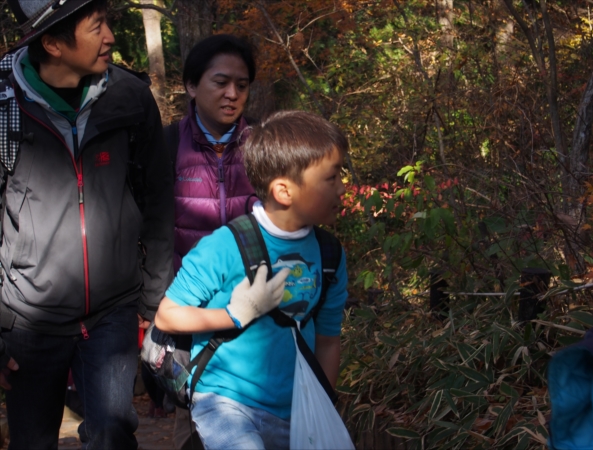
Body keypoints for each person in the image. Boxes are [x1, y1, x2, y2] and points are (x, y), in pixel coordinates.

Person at [0, 1, 174, 448]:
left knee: (113, 435)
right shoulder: (4, 106)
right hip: (28, 316)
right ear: (52, 43)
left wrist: (155, 302)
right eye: (97, 27)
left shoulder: (127, 97)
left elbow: (157, 200)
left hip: (112, 310)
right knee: (32, 440)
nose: (111, 36)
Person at [155, 110, 349, 449]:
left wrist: (324, 405)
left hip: (296, 409)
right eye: (331, 178)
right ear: (284, 191)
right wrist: (233, 315)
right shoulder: (224, 246)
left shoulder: (330, 254)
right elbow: (167, 315)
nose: (342, 188)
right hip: (225, 401)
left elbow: (329, 340)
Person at [166, 34, 258, 449]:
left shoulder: (264, 145)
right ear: (191, 85)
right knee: (200, 424)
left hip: (255, 306)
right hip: (187, 311)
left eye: (241, 84)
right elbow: (148, 227)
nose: (232, 94)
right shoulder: (165, 145)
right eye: (220, 82)